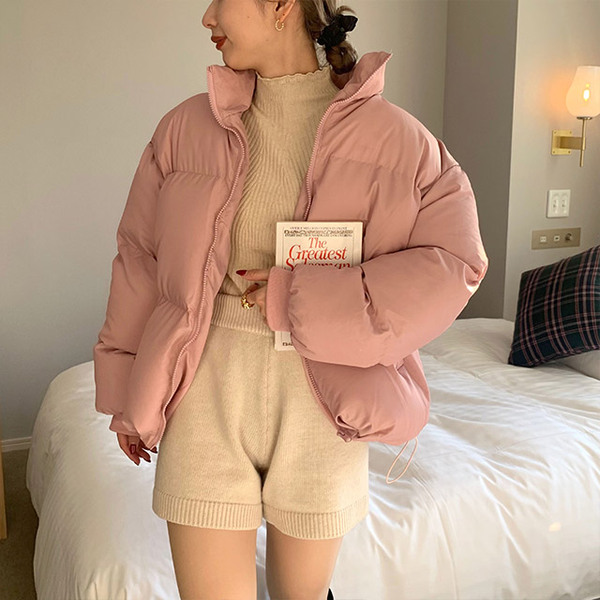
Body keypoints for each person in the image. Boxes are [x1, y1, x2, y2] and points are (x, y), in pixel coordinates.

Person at [92, 0, 489, 598]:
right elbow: (139, 261)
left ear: (281, 6)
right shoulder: (184, 128)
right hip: (203, 398)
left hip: (323, 404)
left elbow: (454, 265)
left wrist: (299, 298)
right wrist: (129, 391)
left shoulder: (400, 142)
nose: (207, 17)